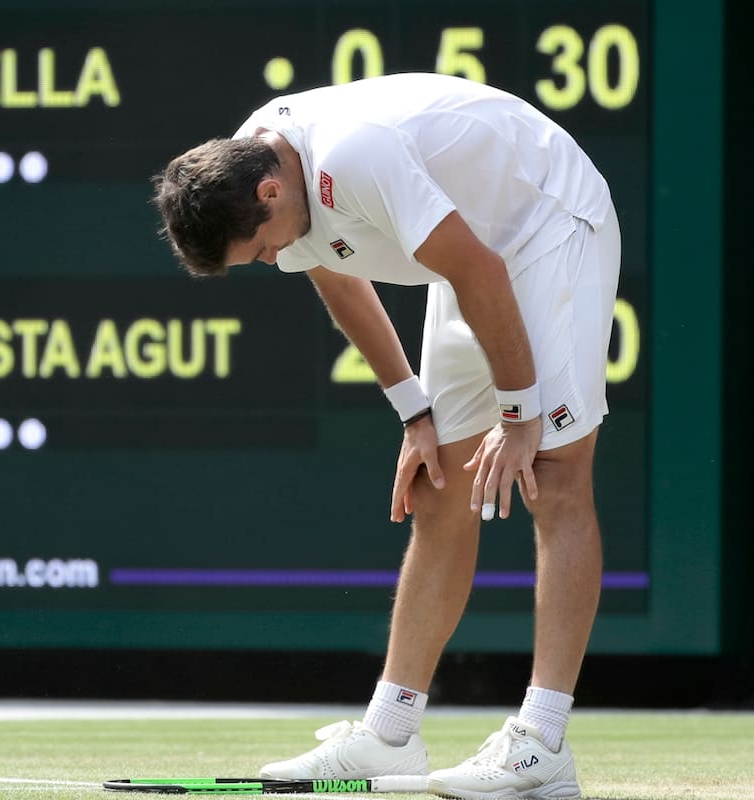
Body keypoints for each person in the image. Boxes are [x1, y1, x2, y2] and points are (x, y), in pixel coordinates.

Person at [152, 72, 620, 800]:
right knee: (440, 491)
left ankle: (542, 744)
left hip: (547, 223)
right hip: (474, 261)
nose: (272, 260)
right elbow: (339, 279)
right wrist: (414, 412)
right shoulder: (261, 165)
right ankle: (391, 734)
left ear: (270, 193)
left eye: (263, 251)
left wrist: (520, 417)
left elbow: (479, 268)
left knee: (556, 476)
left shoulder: (351, 157)